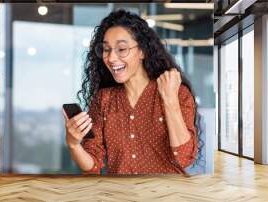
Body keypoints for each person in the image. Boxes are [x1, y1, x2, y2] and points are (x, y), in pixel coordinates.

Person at [63, 9, 199, 175]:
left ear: (142, 51)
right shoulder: (104, 99)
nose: (111, 58)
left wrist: (170, 100)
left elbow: (185, 158)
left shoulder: (177, 93)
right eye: (106, 49)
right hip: (120, 197)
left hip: (166, 196)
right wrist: (73, 143)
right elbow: (92, 164)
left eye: (121, 49)